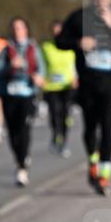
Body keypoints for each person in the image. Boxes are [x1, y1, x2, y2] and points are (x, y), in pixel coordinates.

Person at [56, 0, 111, 196]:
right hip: (87, 83)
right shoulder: (79, 17)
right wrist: (79, 43)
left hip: (110, 83)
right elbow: (59, 40)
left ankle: (104, 177)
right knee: (90, 127)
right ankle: (93, 162)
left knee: (107, 127)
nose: (101, 2)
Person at [0, 17, 45, 186]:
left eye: (20, 28)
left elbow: (41, 69)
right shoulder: (6, 49)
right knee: (13, 132)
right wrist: (10, 67)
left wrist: (39, 77)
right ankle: (20, 158)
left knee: (24, 129)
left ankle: (22, 167)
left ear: (26, 30)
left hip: (27, 95)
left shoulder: (33, 48)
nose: (17, 31)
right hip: (10, 95)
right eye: (14, 28)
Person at [41, 20, 77, 156]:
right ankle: (56, 136)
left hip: (68, 85)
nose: (57, 34)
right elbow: (41, 65)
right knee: (55, 114)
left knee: (66, 115)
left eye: (59, 31)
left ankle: (64, 142)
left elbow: (76, 63)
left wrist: (76, 77)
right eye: (54, 31)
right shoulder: (46, 46)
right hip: (51, 86)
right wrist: (41, 79)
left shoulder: (71, 46)